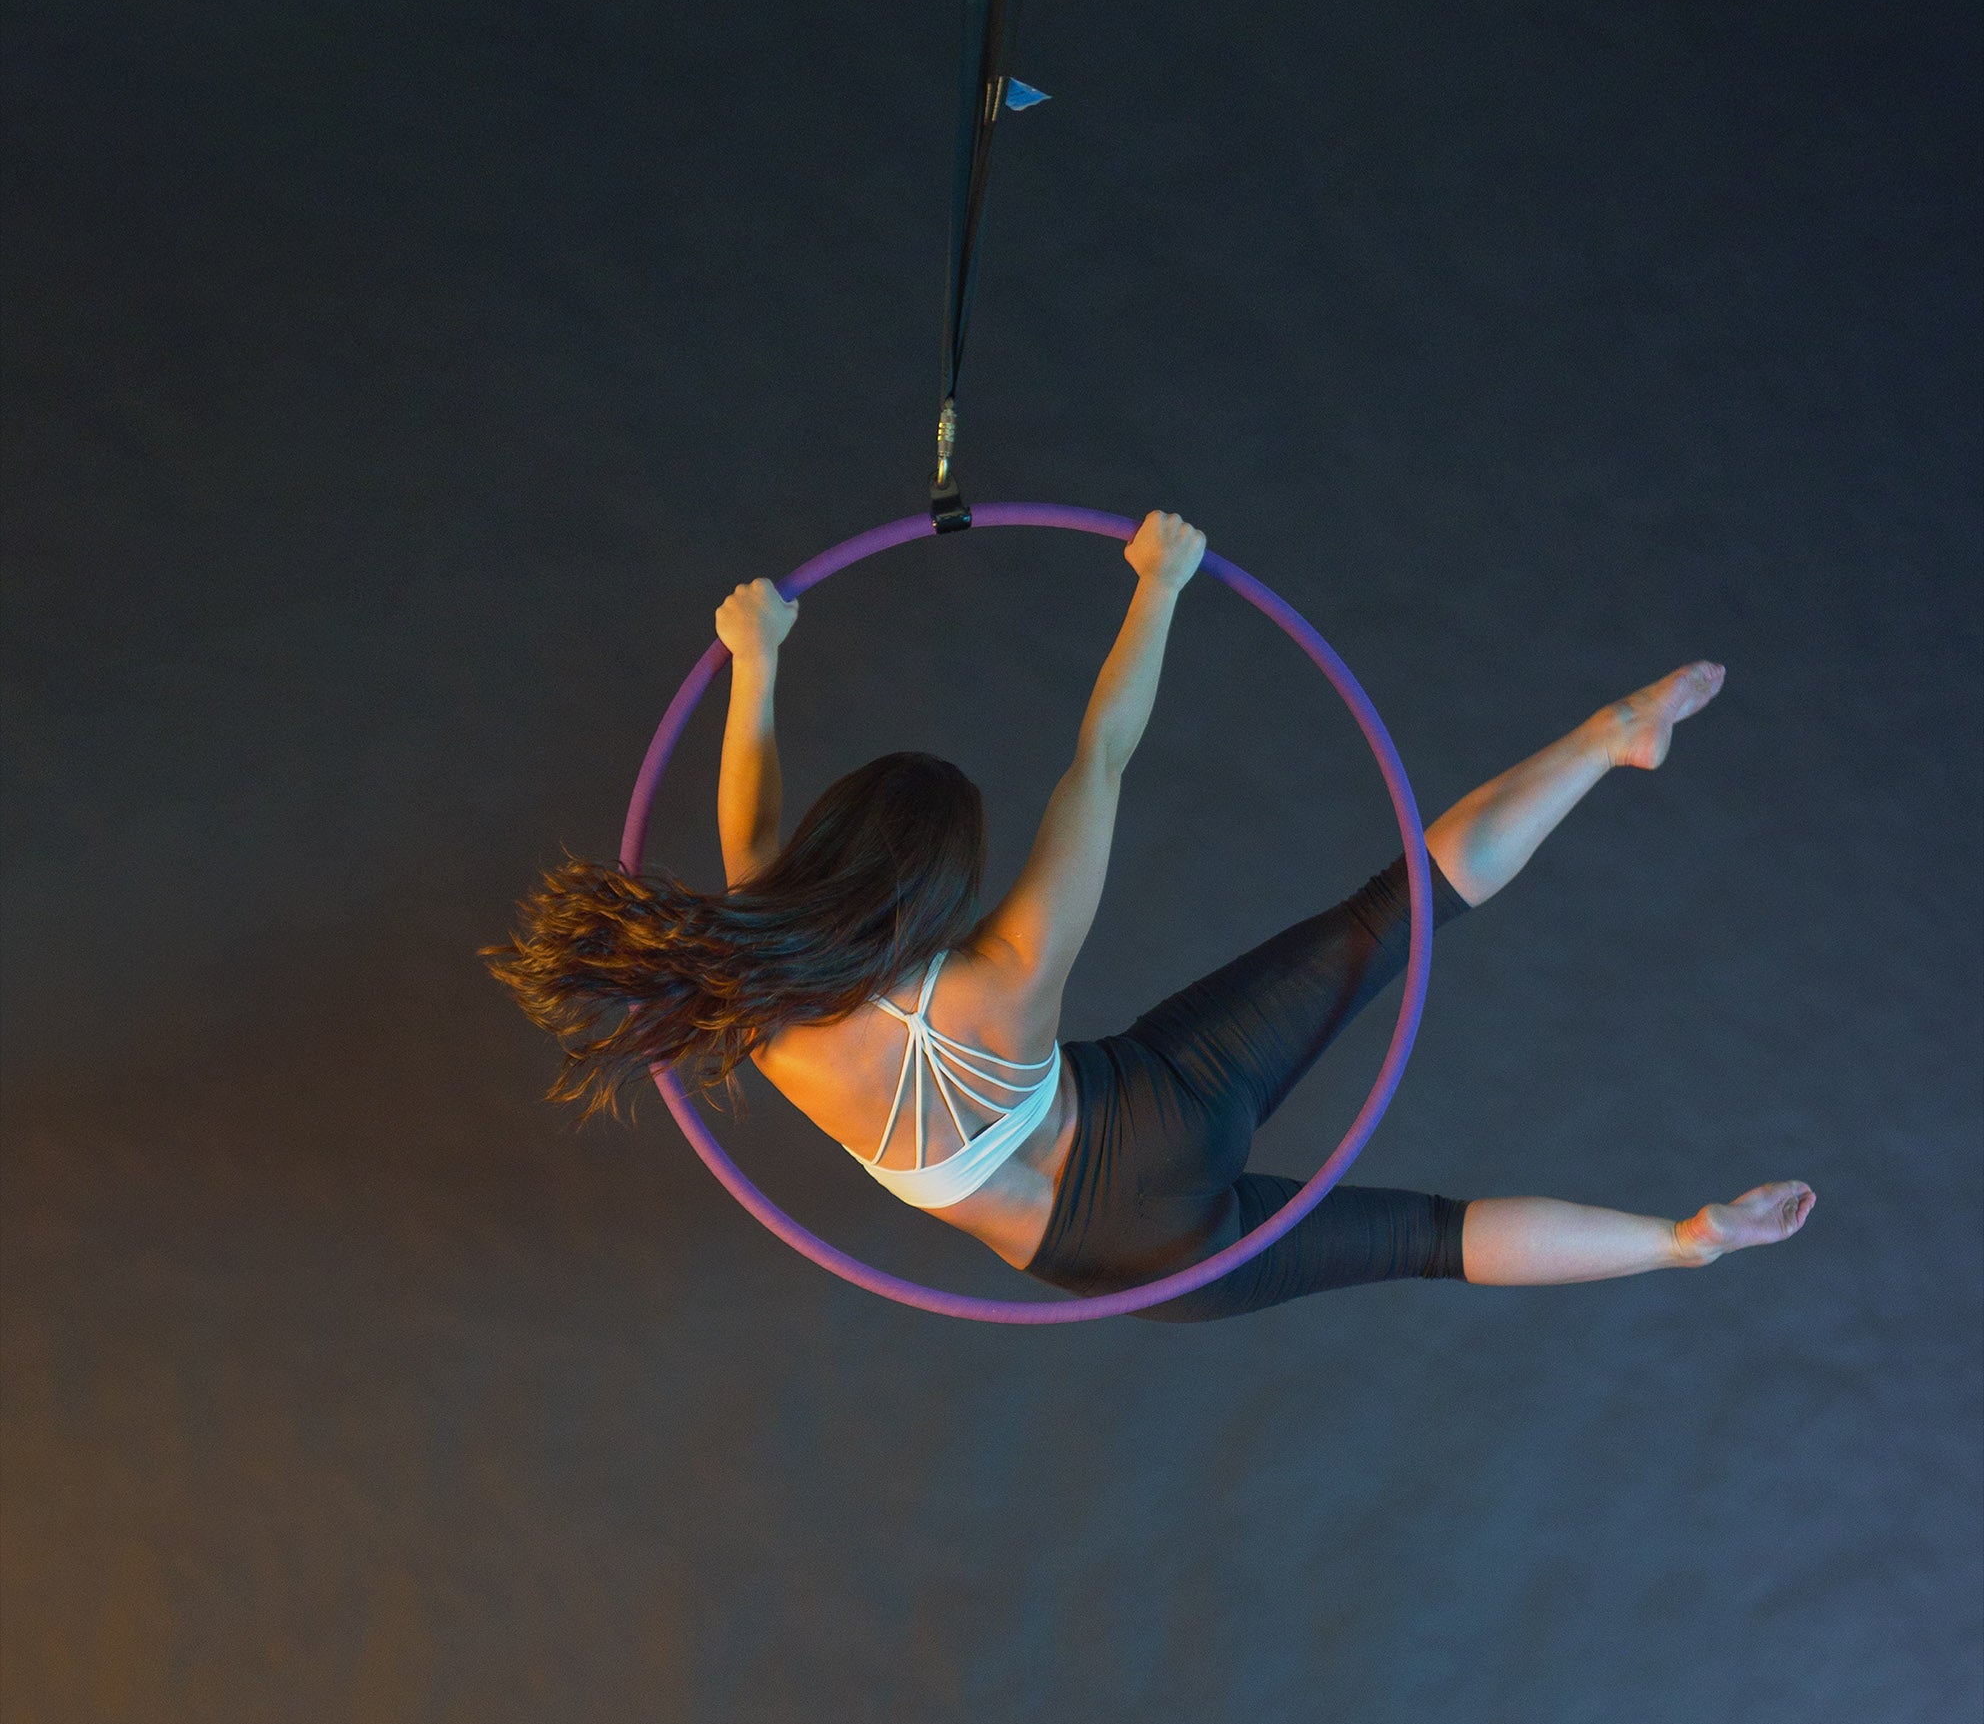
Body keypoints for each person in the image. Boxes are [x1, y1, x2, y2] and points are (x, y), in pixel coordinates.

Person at [486, 511, 1814, 1320]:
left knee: (1428, 1241)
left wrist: (754, 659)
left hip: (1134, 1266)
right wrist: (1159, 583)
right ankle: (1609, 738)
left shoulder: (764, 999)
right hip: (1151, 1113)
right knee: (1390, 914)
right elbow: (1102, 757)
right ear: (942, 885)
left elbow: (752, 827)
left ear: (830, 857)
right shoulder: (1006, 971)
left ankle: (1684, 1243)